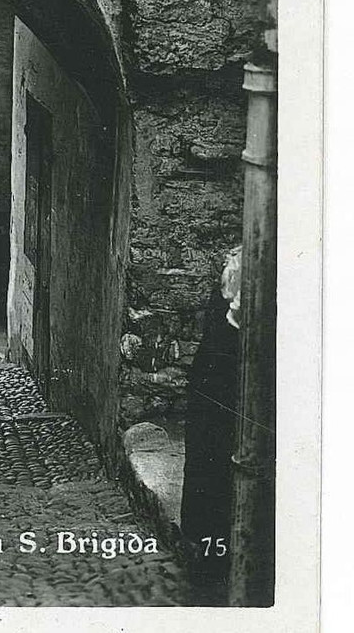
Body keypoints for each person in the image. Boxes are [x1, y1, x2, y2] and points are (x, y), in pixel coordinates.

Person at [181, 245, 242, 584]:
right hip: (218, 391)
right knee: (213, 472)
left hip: (212, 390)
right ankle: (209, 555)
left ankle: (207, 552)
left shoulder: (232, 276)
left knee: (211, 473)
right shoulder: (236, 277)